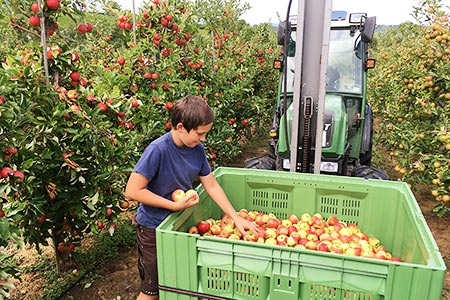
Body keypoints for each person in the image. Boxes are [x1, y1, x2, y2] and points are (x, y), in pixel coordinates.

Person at [125, 95, 259, 300]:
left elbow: (211, 184)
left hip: (179, 223)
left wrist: (235, 217)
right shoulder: (158, 150)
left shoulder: (196, 149)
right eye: (199, 134)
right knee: (151, 290)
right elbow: (133, 191)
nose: (203, 139)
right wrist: (173, 205)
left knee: (176, 282)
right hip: (153, 228)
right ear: (180, 127)